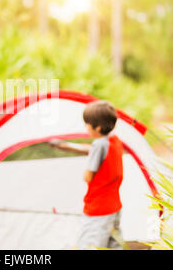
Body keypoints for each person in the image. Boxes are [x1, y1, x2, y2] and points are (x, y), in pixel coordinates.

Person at [50, 100, 123, 250]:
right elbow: (94, 149)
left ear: (97, 127)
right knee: (113, 245)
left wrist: (85, 171)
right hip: (114, 207)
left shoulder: (98, 145)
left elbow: (88, 176)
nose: (85, 127)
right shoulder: (114, 140)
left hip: (98, 209)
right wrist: (67, 146)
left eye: (87, 124)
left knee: (88, 246)